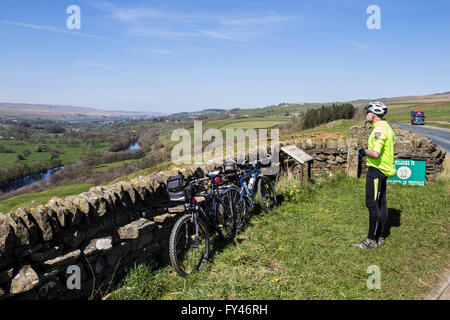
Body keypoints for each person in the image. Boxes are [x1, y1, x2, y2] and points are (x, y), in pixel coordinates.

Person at [353, 102, 397, 249]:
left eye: (367, 112)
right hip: (384, 169)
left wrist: (363, 151)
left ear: (373, 114)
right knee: (381, 203)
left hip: (377, 170)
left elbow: (375, 153)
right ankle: (379, 236)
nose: (366, 115)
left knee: (372, 203)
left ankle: (371, 240)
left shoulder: (379, 130)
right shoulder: (387, 128)